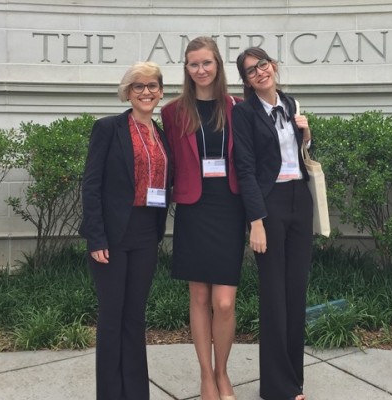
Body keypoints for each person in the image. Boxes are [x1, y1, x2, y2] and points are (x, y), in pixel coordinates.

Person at [79, 61, 171, 400]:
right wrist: (96, 236)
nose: (146, 92)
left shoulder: (162, 135)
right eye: (139, 86)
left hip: (147, 233)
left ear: (161, 92)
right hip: (113, 236)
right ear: (128, 92)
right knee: (112, 315)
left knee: (135, 315)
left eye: (152, 86)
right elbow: (91, 185)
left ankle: (136, 392)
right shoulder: (108, 128)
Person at [160, 36, 245, 400]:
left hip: (229, 208)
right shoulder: (173, 112)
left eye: (206, 63)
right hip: (194, 209)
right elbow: (169, 165)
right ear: (187, 68)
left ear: (218, 65)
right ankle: (206, 377)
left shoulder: (239, 109)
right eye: (193, 64)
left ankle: (223, 372)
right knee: (198, 296)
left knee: (224, 301)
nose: (201, 70)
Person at [231, 47, 313, 400]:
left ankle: (295, 379)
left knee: (296, 292)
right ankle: (277, 388)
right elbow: (245, 170)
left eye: (262, 65)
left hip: (300, 200)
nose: (259, 72)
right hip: (271, 205)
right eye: (251, 71)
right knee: (274, 296)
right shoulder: (245, 113)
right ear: (246, 81)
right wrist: (257, 222)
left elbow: (300, 154)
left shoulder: (291, 102)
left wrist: (307, 134)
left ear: (273, 66)